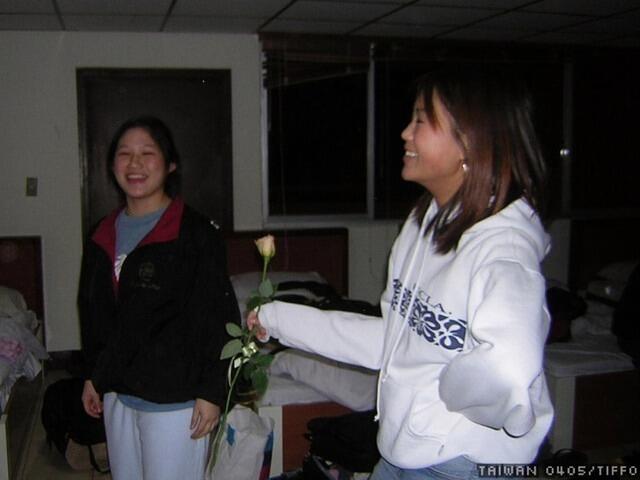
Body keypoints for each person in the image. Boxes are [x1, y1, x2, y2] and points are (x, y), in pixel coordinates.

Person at [249, 65, 554, 479]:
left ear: (471, 140)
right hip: (403, 449)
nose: (405, 134)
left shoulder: (504, 247)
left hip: (463, 462)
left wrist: (446, 391)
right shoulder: (421, 225)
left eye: (421, 121)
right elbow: (394, 341)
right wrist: (279, 318)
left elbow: (509, 370)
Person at [79, 116, 239, 480]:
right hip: (119, 394)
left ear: (169, 164)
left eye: (146, 153)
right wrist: (93, 375)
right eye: (124, 154)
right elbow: (93, 314)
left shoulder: (194, 234)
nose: (134, 164)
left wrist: (212, 392)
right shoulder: (101, 234)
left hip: (175, 399)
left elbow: (219, 317)